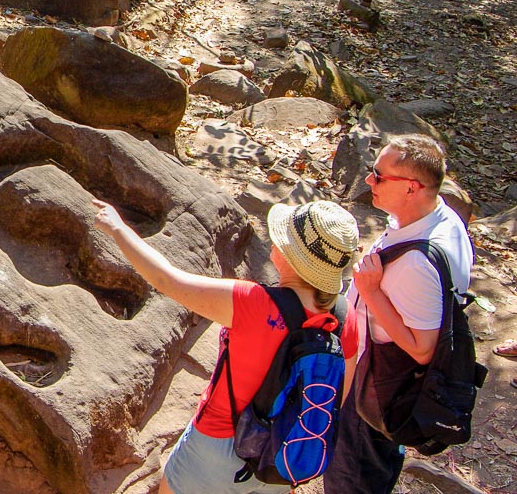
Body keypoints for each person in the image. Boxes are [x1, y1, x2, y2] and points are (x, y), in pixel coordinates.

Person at [93, 198, 360, 494]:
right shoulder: (346, 318)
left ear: (292, 257)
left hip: (217, 444)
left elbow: (165, 279)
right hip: (283, 455)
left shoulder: (253, 303)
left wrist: (118, 229)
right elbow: (338, 396)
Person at [323, 134, 473, 493]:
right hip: (394, 381)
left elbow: (423, 348)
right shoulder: (443, 218)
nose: (368, 180)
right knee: (379, 462)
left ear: (411, 188)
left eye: (379, 175)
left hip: (380, 381)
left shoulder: (418, 263)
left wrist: (372, 293)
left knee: (354, 473)